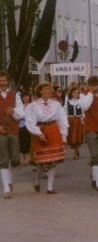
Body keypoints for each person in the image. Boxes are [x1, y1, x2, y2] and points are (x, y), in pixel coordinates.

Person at [25, 81, 68, 194]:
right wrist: (39, 133)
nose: (48, 91)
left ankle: (50, 187)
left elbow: (62, 119)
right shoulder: (33, 106)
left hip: (53, 130)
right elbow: (30, 122)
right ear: (40, 91)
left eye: (49, 89)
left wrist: (64, 136)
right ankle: (37, 180)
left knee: (53, 161)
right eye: (45, 89)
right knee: (41, 162)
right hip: (41, 130)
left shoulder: (56, 104)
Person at [0, 70, 25, 199]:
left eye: (4, 80)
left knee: (15, 160)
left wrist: (13, 111)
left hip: (13, 130)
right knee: (3, 160)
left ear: (8, 81)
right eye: (0, 81)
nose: (2, 83)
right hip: (1, 133)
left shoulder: (14, 95)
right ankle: (6, 189)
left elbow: (21, 113)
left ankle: (9, 181)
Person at [65, 87, 84, 160]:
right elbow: (65, 112)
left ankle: (75, 153)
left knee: (77, 137)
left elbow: (83, 112)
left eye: (77, 93)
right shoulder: (68, 102)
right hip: (71, 120)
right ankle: (76, 150)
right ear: (71, 93)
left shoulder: (80, 101)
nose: (76, 94)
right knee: (72, 137)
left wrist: (83, 121)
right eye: (75, 93)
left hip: (78, 120)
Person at [18, 91, 32, 166]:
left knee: (29, 141)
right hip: (21, 124)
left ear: (29, 97)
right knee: (22, 141)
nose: (25, 98)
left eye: (27, 96)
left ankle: (29, 156)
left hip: (29, 124)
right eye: (24, 96)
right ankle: (24, 157)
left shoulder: (32, 105)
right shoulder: (20, 106)